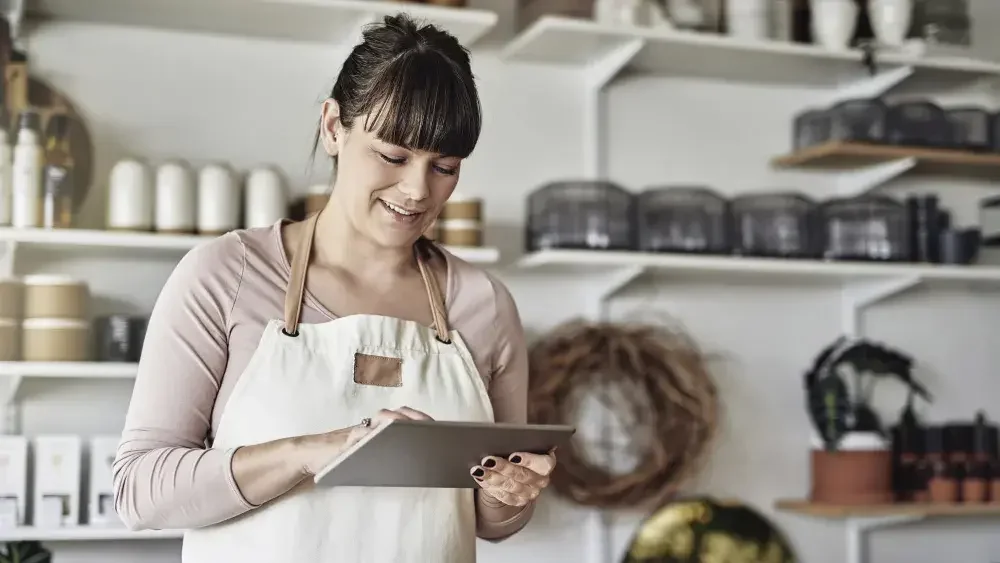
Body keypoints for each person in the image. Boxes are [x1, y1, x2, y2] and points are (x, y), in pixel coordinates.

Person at [112, 13, 557, 562]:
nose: (418, 190)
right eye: (393, 155)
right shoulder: (228, 276)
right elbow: (139, 491)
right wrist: (314, 451)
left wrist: (508, 495)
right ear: (333, 127)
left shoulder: (483, 305)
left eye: (444, 166)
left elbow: (494, 522)